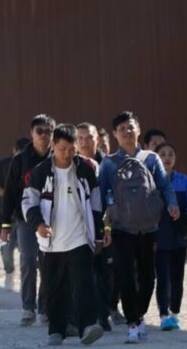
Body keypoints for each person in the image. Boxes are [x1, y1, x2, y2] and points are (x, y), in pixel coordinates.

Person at [99, 111, 180, 344]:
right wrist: (104, 227)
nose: (127, 131)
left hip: (148, 227)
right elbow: (101, 196)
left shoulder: (151, 159)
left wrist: (172, 204)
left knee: (147, 276)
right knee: (125, 275)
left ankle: (140, 313)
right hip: (121, 228)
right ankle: (133, 323)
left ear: (139, 130)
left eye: (131, 127)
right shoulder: (108, 163)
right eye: (122, 128)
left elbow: (164, 185)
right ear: (115, 134)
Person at [22, 124, 105, 346]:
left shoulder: (85, 170)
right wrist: (38, 224)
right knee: (54, 288)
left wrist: (98, 234)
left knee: (84, 284)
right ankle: (56, 330)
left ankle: (87, 326)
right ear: (53, 146)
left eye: (71, 149)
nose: (67, 154)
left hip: (80, 237)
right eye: (62, 149)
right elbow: (28, 202)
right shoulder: (41, 172)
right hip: (51, 242)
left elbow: (96, 204)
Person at [1, 114, 55, 326]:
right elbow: (9, 194)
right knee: (28, 260)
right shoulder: (20, 160)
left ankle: (45, 309)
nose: (43, 135)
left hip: (51, 219)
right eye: (39, 131)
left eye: (48, 131)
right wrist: (5, 225)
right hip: (25, 220)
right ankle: (28, 308)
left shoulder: (58, 158)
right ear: (31, 134)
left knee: (48, 263)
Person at [76, 122, 124, 329]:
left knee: (105, 273)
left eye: (89, 137)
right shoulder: (69, 163)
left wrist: (107, 227)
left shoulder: (108, 165)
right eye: (80, 138)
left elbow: (112, 198)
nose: (85, 142)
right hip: (77, 227)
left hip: (104, 225)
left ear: (98, 139)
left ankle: (104, 316)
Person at [155, 142, 187, 331]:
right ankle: (163, 316)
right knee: (162, 279)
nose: (167, 158)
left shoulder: (184, 181)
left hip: (179, 237)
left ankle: (175, 313)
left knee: (177, 278)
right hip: (158, 239)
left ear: (175, 159)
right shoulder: (151, 181)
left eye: (171, 154)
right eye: (162, 154)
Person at [0, 137, 30, 290]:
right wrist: (8, 194)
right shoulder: (3, 165)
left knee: (26, 250)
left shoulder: (33, 165)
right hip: (6, 216)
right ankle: (9, 272)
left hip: (26, 216)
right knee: (6, 249)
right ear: (14, 151)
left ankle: (26, 281)